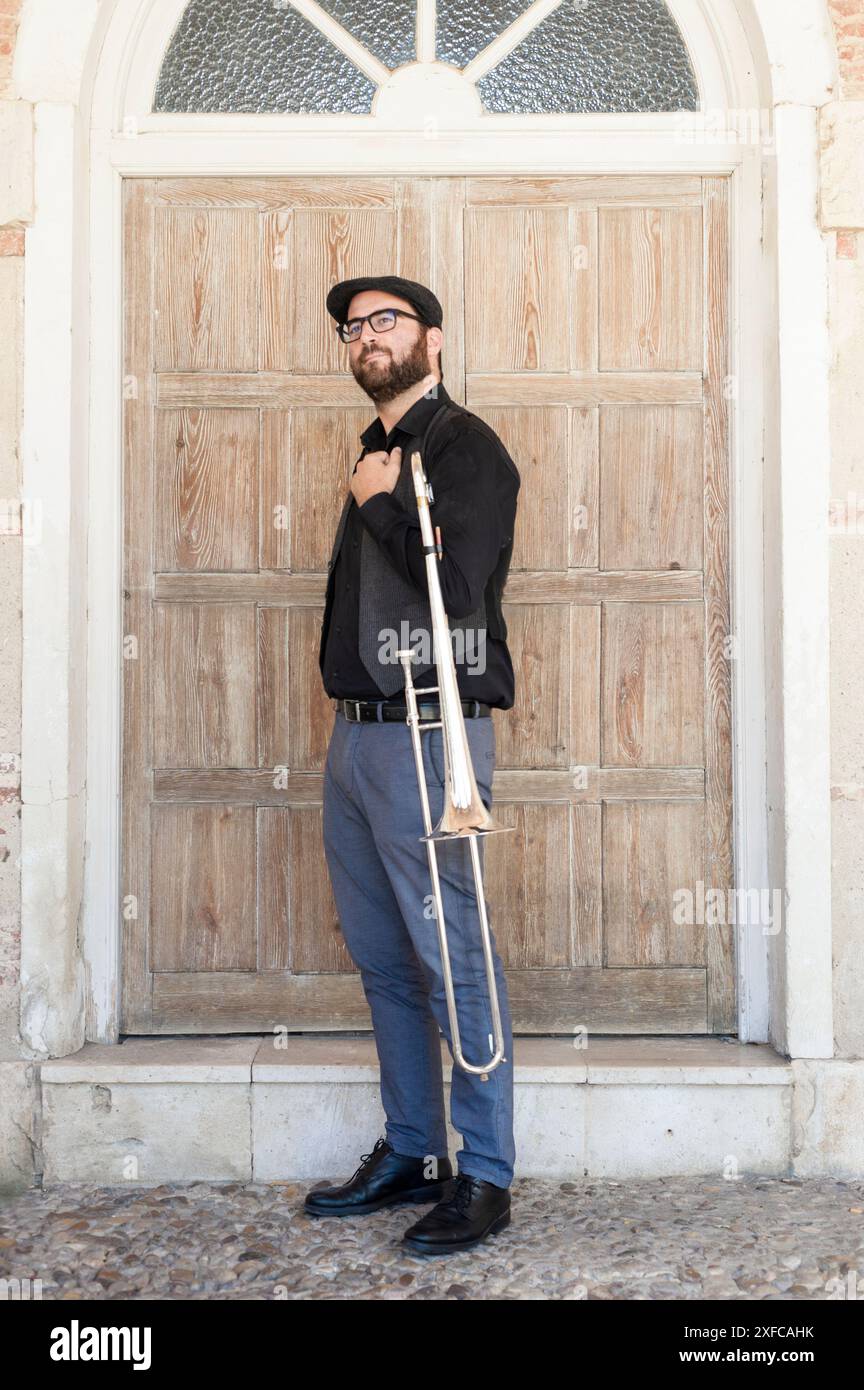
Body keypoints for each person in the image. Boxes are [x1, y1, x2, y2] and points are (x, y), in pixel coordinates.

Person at [304, 274, 520, 1256]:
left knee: (452, 957)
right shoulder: (374, 452)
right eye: (354, 326)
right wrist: (376, 489)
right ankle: (413, 1147)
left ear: (432, 336)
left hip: (430, 735)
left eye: (385, 320)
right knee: (387, 962)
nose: (366, 336)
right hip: (355, 741)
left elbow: (461, 586)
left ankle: (484, 1174)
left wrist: (384, 507)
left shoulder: (464, 446)